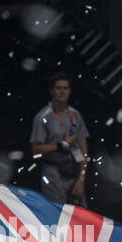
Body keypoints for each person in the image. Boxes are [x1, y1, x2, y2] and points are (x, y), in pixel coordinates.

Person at [29, 71, 90, 204]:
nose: (62, 92)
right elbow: (36, 149)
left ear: (69, 91)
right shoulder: (43, 117)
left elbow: (84, 149)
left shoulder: (75, 115)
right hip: (53, 171)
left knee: (81, 214)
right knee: (57, 213)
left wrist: (81, 178)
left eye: (65, 88)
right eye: (58, 88)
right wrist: (60, 146)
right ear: (52, 91)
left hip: (73, 169)